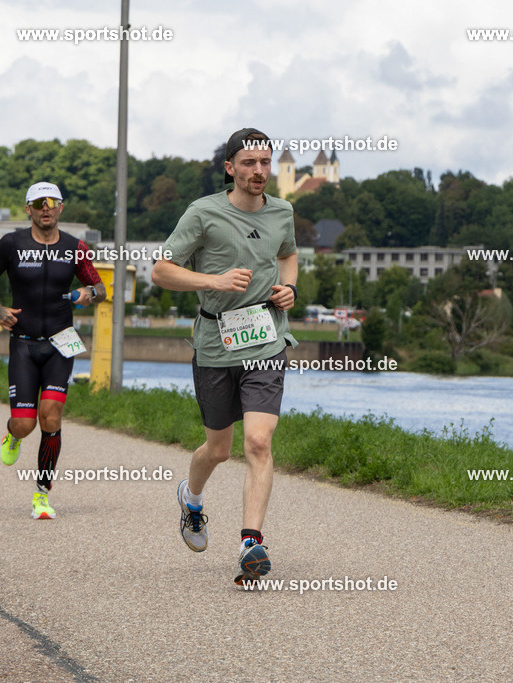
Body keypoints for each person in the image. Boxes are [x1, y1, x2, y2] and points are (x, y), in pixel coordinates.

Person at [152, 128, 298, 584]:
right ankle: (191, 499)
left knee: (258, 441)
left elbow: (289, 255)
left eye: (265, 162)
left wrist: (290, 288)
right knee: (218, 449)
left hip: (266, 339)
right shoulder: (203, 213)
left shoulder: (283, 211)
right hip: (216, 344)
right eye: (249, 163)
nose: (259, 170)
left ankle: (250, 544)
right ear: (230, 168)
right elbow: (161, 271)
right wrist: (212, 281)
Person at [0, 181, 106, 519]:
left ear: (61, 207)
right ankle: (12, 435)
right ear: (28, 209)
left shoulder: (75, 247)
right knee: (25, 424)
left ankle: (42, 494)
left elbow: (100, 288)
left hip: (61, 344)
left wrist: (88, 294)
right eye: (38, 203)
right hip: (23, 344)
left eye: (51, 202)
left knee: (51, 415)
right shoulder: (12, 244)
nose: (44, 208)